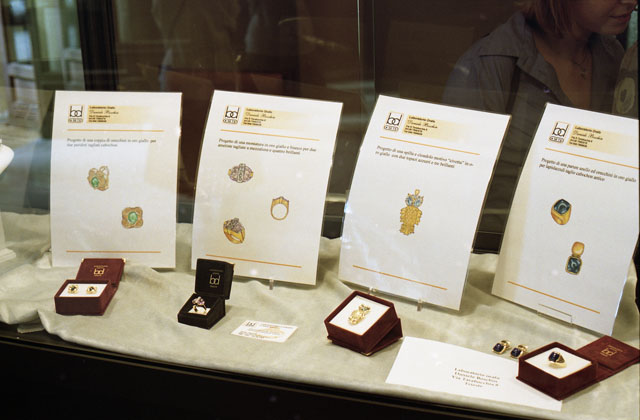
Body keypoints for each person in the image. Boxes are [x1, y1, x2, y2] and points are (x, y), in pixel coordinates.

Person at [442, 0, 637, 241]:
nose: (630, 1)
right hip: (498, 249)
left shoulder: (614, 57)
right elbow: (453, 201)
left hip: (582, 242)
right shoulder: (489, 66)